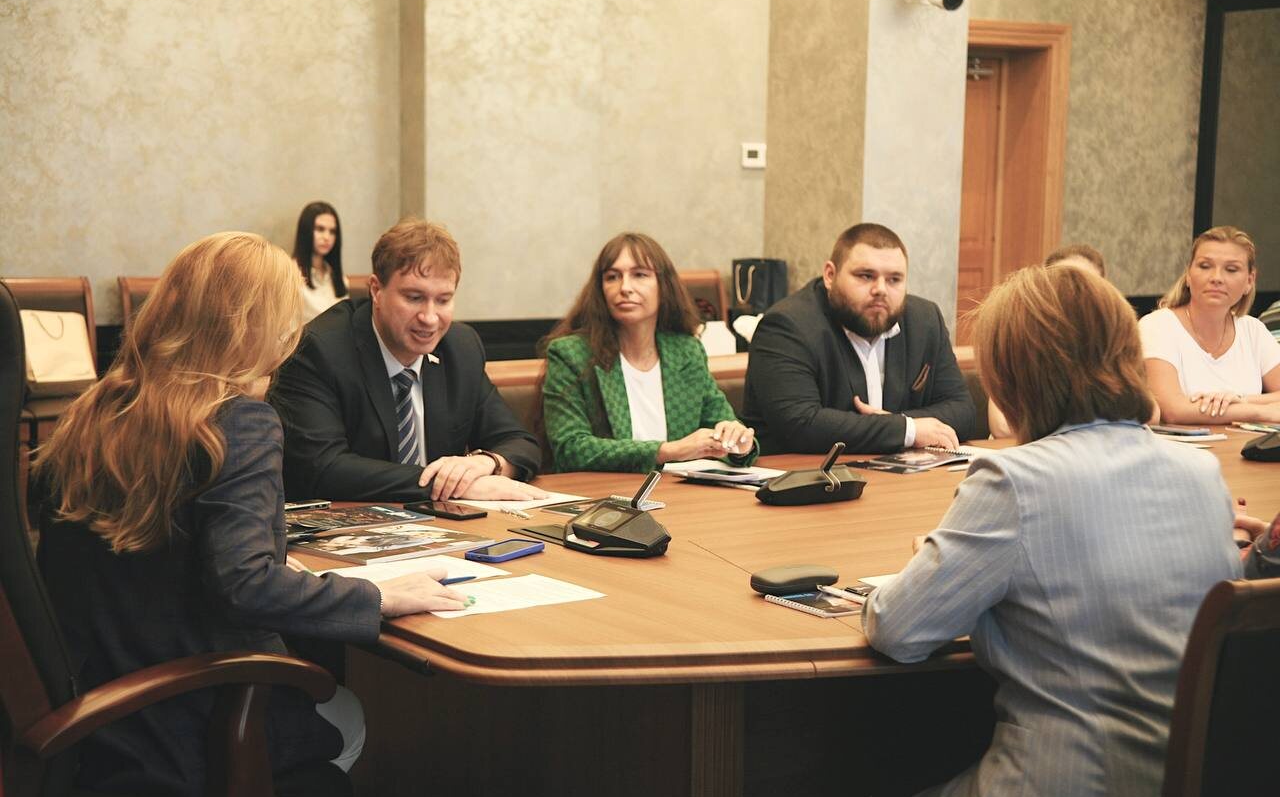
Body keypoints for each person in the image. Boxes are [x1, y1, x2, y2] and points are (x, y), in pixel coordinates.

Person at [33, 233, 468, 797]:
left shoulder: (91, 412)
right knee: (352, 713)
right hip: (193, 721)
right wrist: (377, 596)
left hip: (94, 713)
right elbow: (244, 585)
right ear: (257, 327)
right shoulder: (237, 422)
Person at [862, 264, 1241, 797]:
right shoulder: (1201, 472)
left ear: (1011, 375)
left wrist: (934, 564)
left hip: (1065, 785)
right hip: (1194, 783)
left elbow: (897, 630)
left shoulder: (1013, 480)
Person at [270, 217, 544, 502]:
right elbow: (322, 468)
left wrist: (488, 462)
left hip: (442, 522)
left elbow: (520, 442)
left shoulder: (460, 348)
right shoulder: (319, 350)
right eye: (414, 298)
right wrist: (449, 486)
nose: (429, 318)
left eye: (443, 300)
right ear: (376, 290)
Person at [741, 222, 975, 454]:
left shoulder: (924, 320)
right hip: (801, 472)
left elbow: (963, 411)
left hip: (898, 472)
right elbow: (801, 424)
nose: (881, 289)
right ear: (830, 275)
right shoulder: (787, 325)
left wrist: (895, 424)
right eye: (866, 276)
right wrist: (906, 429)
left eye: (894, 279)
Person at [540, 232, 757, 472]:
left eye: (640, 275)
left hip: (679, 489)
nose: (625, 287)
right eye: (612, 277)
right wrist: (669, 451)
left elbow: (720, 424)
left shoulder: (686, 351)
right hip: (606, 490)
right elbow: (570, 449)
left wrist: (739, 443)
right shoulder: (571, 354)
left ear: (664, 286)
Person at [1140, 226, 1280, 424]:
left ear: (1249, 281)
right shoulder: (1157, 326)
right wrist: (1259, 412)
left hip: (1246, 443)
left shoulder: (1253, 330)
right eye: (1205, 266)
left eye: (1231, 269)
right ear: (1188, 275)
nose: (1216, 278)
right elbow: (1172, 409)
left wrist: (1239, 400)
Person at [988, 244, 1107, 438]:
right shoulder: (1019, 336)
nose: (1073, 294)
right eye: (1063, 283)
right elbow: (1002, 426)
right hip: (1022, 450)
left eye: (1085, 285)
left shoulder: (1110, 343)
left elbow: (1146, 412)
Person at [293, 200, 350, 323]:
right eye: (320, 229)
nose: (327, 237)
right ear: (306, 231)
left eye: (332, 232)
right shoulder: (291, 275)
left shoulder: (339, 278)